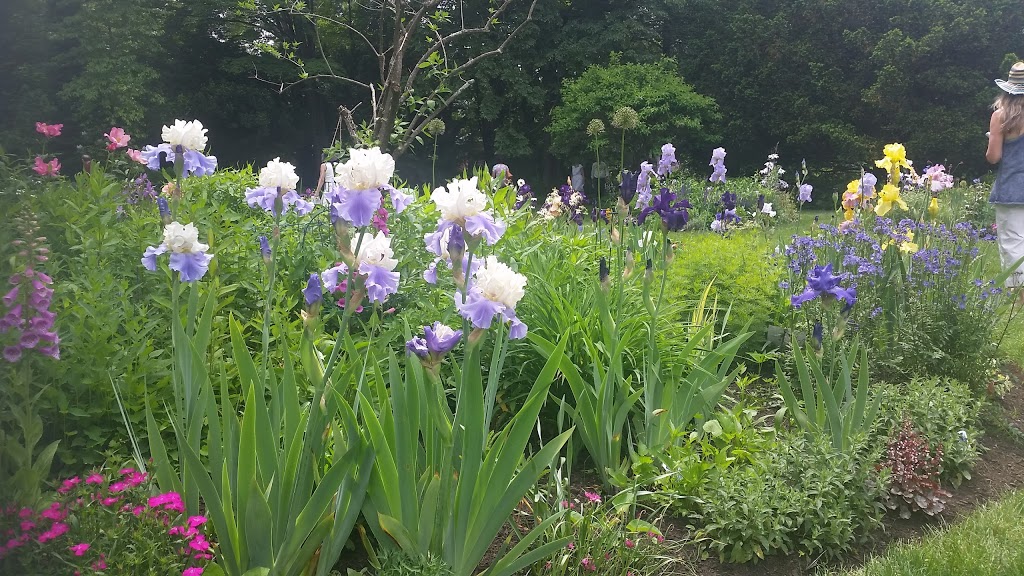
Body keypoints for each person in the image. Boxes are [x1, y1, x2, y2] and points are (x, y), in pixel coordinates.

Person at [987, 61, 1024, 288]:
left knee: (1013, 244)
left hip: (1011, 189)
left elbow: (994, 157)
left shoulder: (1000, 117)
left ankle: (1020, 298)